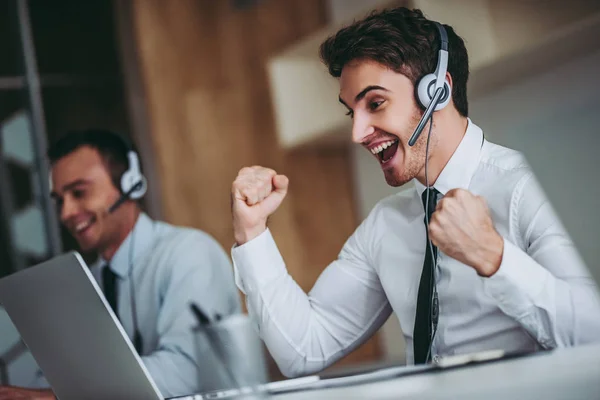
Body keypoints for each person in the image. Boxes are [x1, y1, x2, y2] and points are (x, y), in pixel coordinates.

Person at [229, 6, 600, 378]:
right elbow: (304, 349)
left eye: (375, 104)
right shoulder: (385, 224)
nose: (358, 133)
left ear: (438, 92)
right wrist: (252, 232)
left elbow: (592, 337)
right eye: (352, 113)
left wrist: (495, 258)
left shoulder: (527, 188)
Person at [0, 129, 241, 399]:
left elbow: (186, 372)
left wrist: (58, 397)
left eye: (79, 192)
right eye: (60, 201)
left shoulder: (189, 253)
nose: (66, 213)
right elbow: (61, 373)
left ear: (131, 184)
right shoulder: (84, 281)